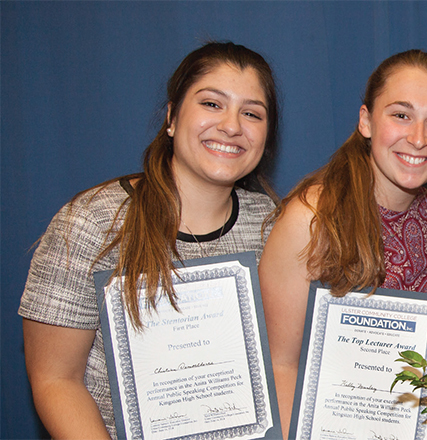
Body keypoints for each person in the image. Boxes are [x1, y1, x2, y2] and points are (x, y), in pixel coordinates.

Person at [19, 41, 280, 439]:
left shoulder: (275, 229)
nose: (231, 125)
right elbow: (56, 379)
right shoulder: (93, 222)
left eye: (251, 113)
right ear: (172, 117)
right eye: (212, 104)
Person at [259, 49, 427, 438]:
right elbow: (278, 365)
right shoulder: (310, 219)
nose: (418, 138)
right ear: (366, 121)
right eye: (401, 115)